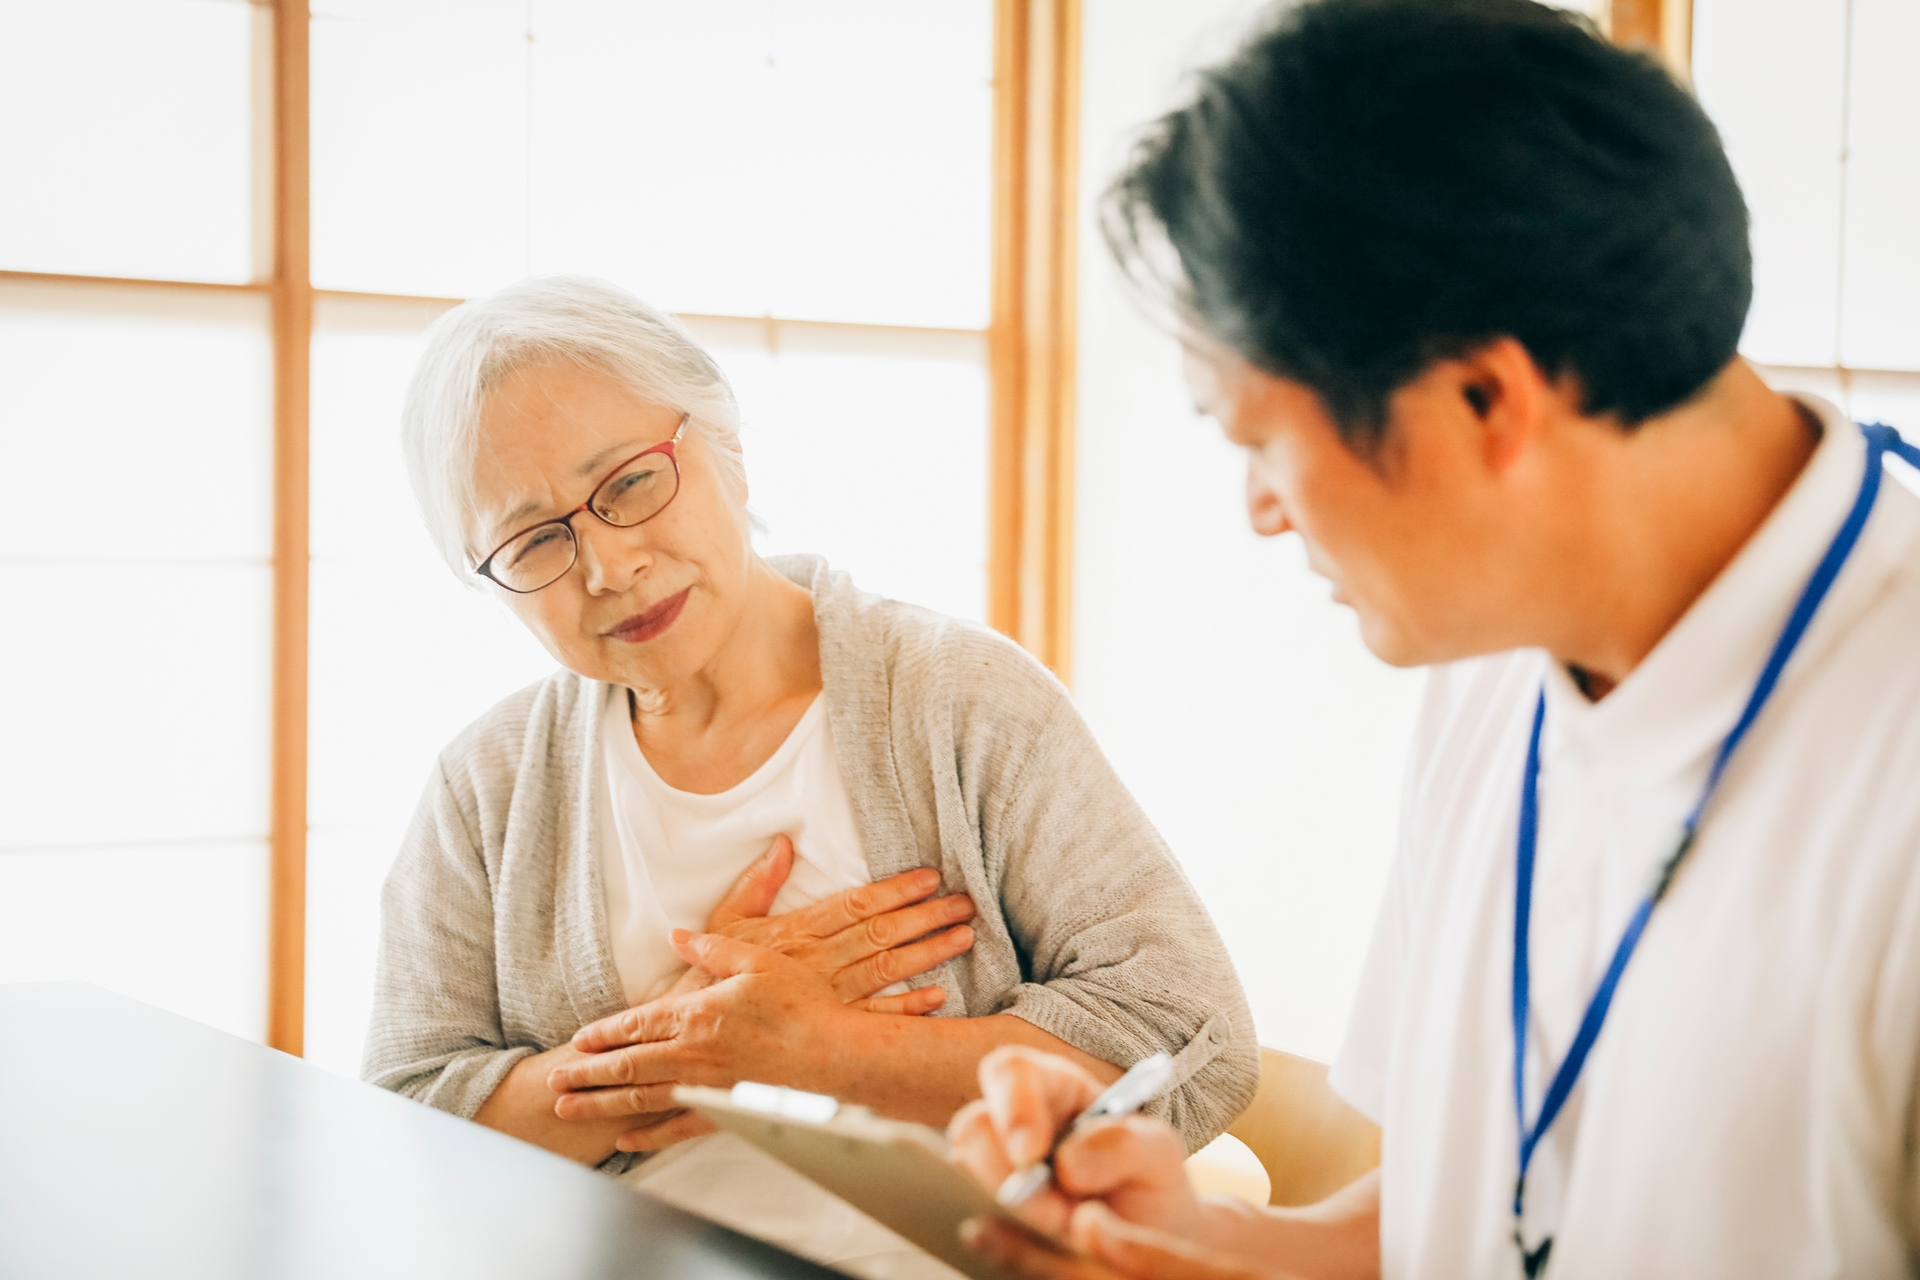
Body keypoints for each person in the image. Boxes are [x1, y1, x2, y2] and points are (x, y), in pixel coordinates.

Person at [946, 1, 1920, 1277]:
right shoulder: (1497, 649)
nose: (1260, 510)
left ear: (1483, 398)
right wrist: (1207, 1241)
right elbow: (1469, 1205)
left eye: (1260, 440)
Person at [361, 275, 1257, 1274]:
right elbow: (401, 1123)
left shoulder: (959, 700)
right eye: (535, 540)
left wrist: (825, 1053)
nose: (609, 566)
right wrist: (683, 1043)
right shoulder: (484, 785)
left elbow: (1191, 1039)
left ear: (727, 446)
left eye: (631, 483)